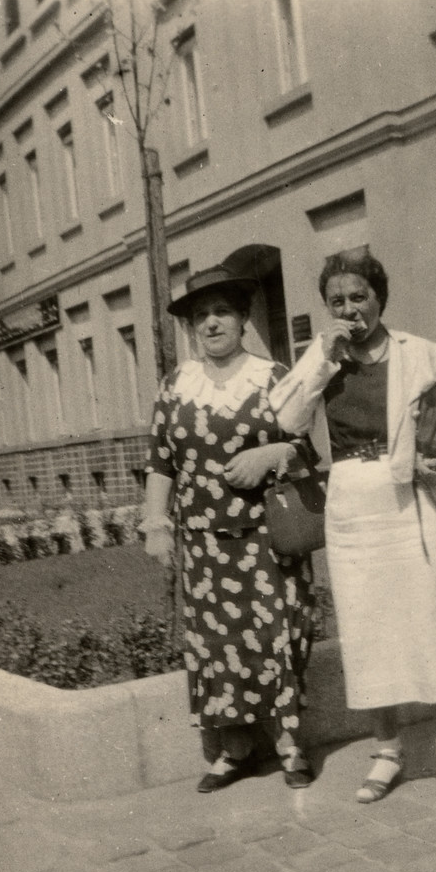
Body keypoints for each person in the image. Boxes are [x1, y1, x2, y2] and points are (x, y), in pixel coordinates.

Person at [270, 250, 436, 809]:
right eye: (337, 300)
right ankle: (387, 752)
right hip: (354, 507)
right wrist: (322, 357)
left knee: (435, 618)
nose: (349, 309)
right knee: (369, 631)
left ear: (379, 298)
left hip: (415, 501)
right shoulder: (322, 358)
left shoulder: (423, 353)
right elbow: (286, 418)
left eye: (358, 297)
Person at [142, 263, 314, 793]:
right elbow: (160, 461)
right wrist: (156, 524)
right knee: (217, 645)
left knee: (275, 636)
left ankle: (290, 747)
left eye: (222, 312)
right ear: (193, 328)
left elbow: (307, 450)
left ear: (242, 320)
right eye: (201, 316)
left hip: (267, 537)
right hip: (202, 542)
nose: (212, 324)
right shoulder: (176, 386)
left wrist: (271, 453)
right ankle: (234, 750)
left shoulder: (273, 376)